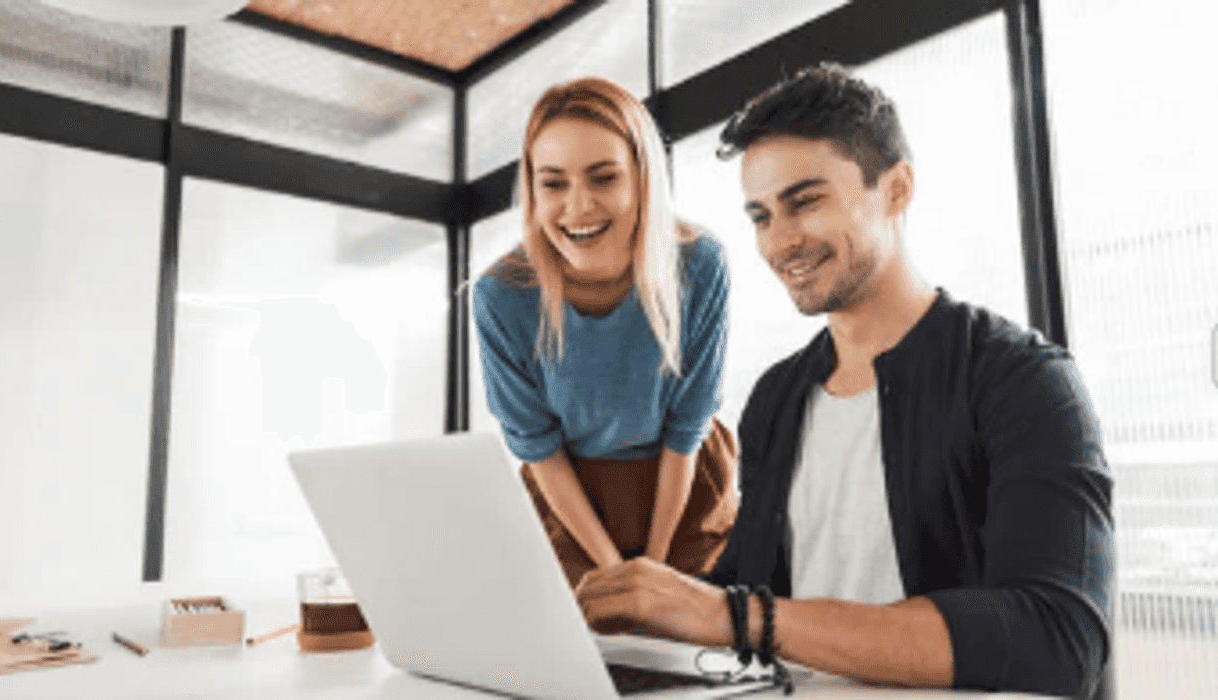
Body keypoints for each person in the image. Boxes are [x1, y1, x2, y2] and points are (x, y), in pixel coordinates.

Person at [576, 63, 1114, 699]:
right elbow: (745, 589)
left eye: (805, 202)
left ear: (896, 189)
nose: (780, 242)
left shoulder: (1023, 381)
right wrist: (638, 607)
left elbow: (1055, 638)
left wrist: (734, 616)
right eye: (760, 215)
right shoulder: (778, 396)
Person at [472, 76, 738, 590]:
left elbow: (688, 428)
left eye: (604, 178)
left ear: (642, 179)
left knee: (691, 644)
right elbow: (539, 449)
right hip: (570, 499)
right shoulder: (501, 297)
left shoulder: (701, 264)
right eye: (553, 183)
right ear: (532, 189)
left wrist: (655, 567)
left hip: (682, 485)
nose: (578, 207)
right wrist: (616, 571)